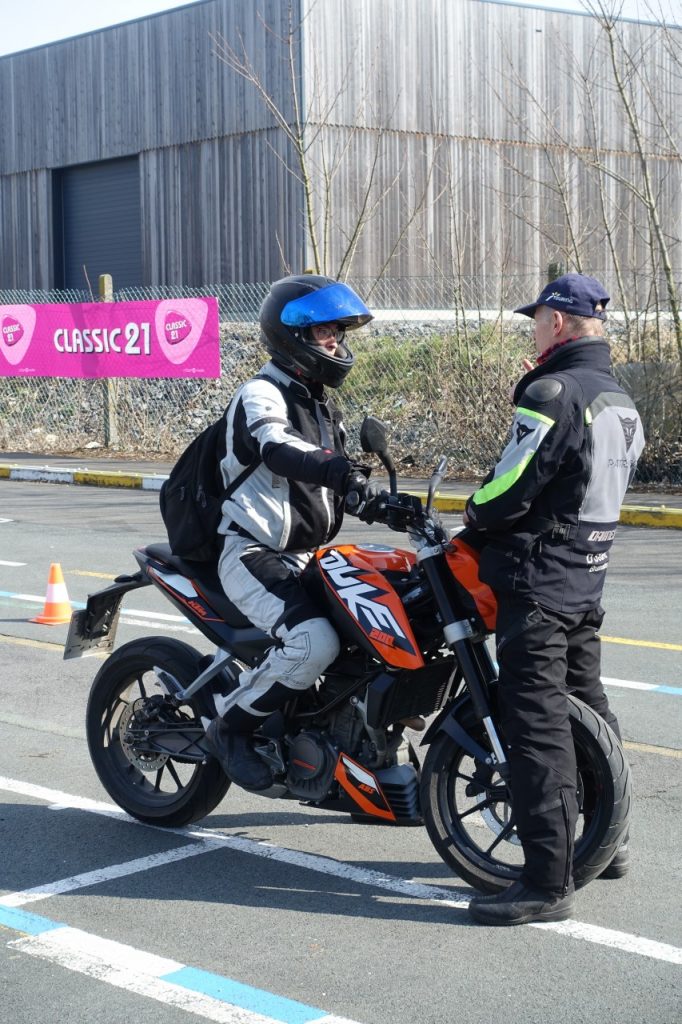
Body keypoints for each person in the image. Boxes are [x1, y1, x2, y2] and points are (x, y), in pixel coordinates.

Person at [462, 272, 645, 926]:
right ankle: (611, 838)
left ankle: (546, 882)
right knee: (588, 705)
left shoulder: (553, 391)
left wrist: (472, 514)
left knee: (536, 727)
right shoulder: (618, 397)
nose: (532, 329)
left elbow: (509, 487)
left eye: (536, 319)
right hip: (585, 579)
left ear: (560, 323)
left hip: (537, 581)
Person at [203, 274, 382, 790]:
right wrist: (339, 471)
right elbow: (278, 448)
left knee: (373, 628)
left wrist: (384, 501)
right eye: (326, 331)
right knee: (314, 641)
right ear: (294, 335)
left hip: (306, 555)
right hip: (250, 553)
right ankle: (230, 728)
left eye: (338, 332)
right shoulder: (260, 394)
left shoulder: (322, 405)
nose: (336, 342)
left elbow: (331, 477)